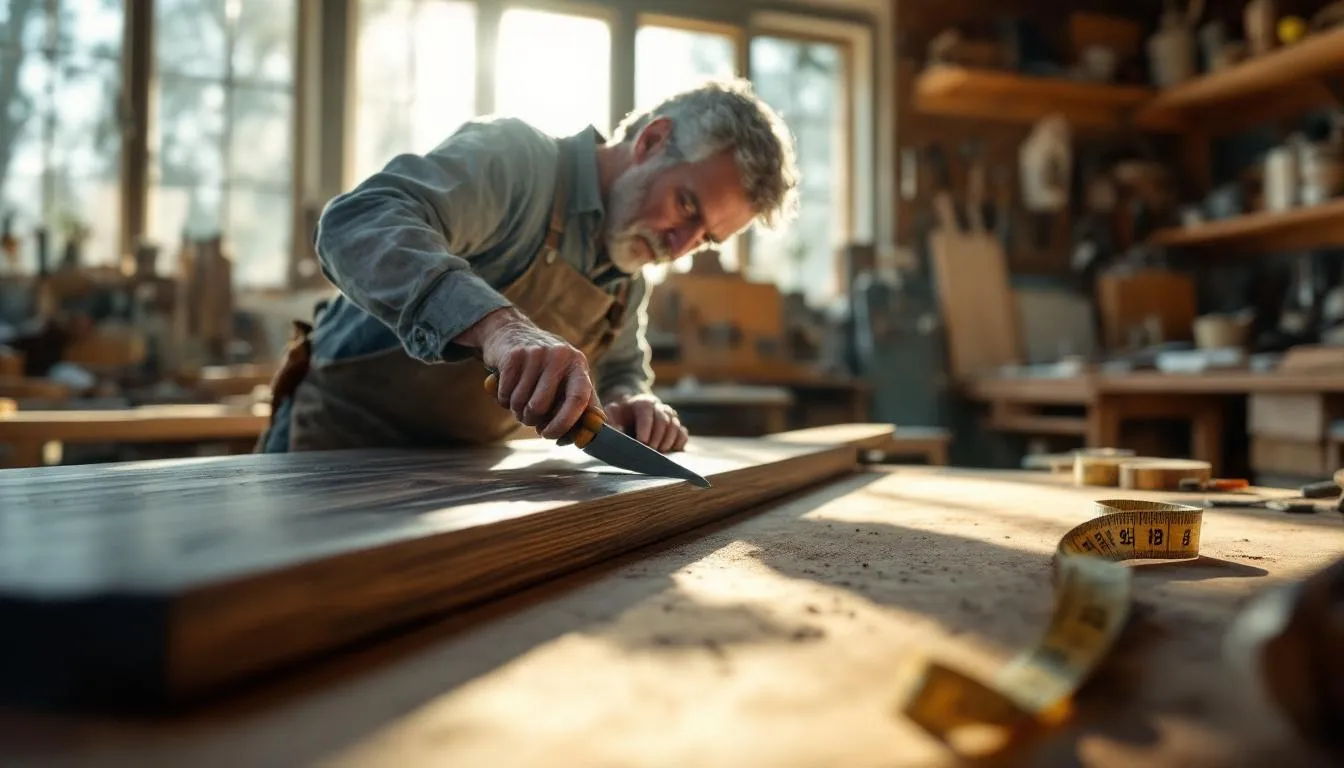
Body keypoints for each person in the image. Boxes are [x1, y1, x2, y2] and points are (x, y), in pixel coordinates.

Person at [257, 78, 798, 456]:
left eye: (705, 241)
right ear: (651, 142)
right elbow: (358, 221)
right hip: (333, 451)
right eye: (686, 205)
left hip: (449, 483)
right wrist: (501, 326)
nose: (680, 246)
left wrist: (632, 400)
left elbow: (620, 368)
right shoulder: (516, 160)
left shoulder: (627, 271)